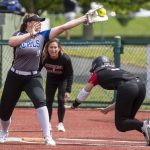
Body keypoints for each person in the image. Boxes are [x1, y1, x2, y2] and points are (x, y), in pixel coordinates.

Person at [0, 8, 106, 145]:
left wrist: (84, 18)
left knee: (41, 103)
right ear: (28, 23)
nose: (40, 24)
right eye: (37, 22)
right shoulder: (19, 35)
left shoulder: (42, 36)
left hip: (32, 77)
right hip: (15, 76)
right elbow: (11, 42)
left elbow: (63, 27)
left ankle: (47, 136)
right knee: (4, 111)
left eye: (40, 22)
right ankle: (4, 132)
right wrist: (29, 35)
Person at [71, 55, 150, 146]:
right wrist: (107, 109)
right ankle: (147, 129)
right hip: (140, 86)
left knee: (121, 124)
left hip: (129, 88)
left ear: (96, 66)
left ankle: (145, 124)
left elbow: (84, 92)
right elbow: (123, 99)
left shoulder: (97, 73)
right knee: (128, 120)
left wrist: (74, 105)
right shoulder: (116, 71)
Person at [40, 38, 73, 132]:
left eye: (55, 47)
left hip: (62, 80)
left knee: (61, 100)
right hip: (51, 79)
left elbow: (70, 74)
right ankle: (47, 123)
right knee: (48, 101)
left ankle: (60, 123)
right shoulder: (44, 58)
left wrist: (68, 90)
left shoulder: (65, 58)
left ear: (59, 48)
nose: (53, 50)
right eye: (51, 47)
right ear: (47, 48)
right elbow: (37, 69)